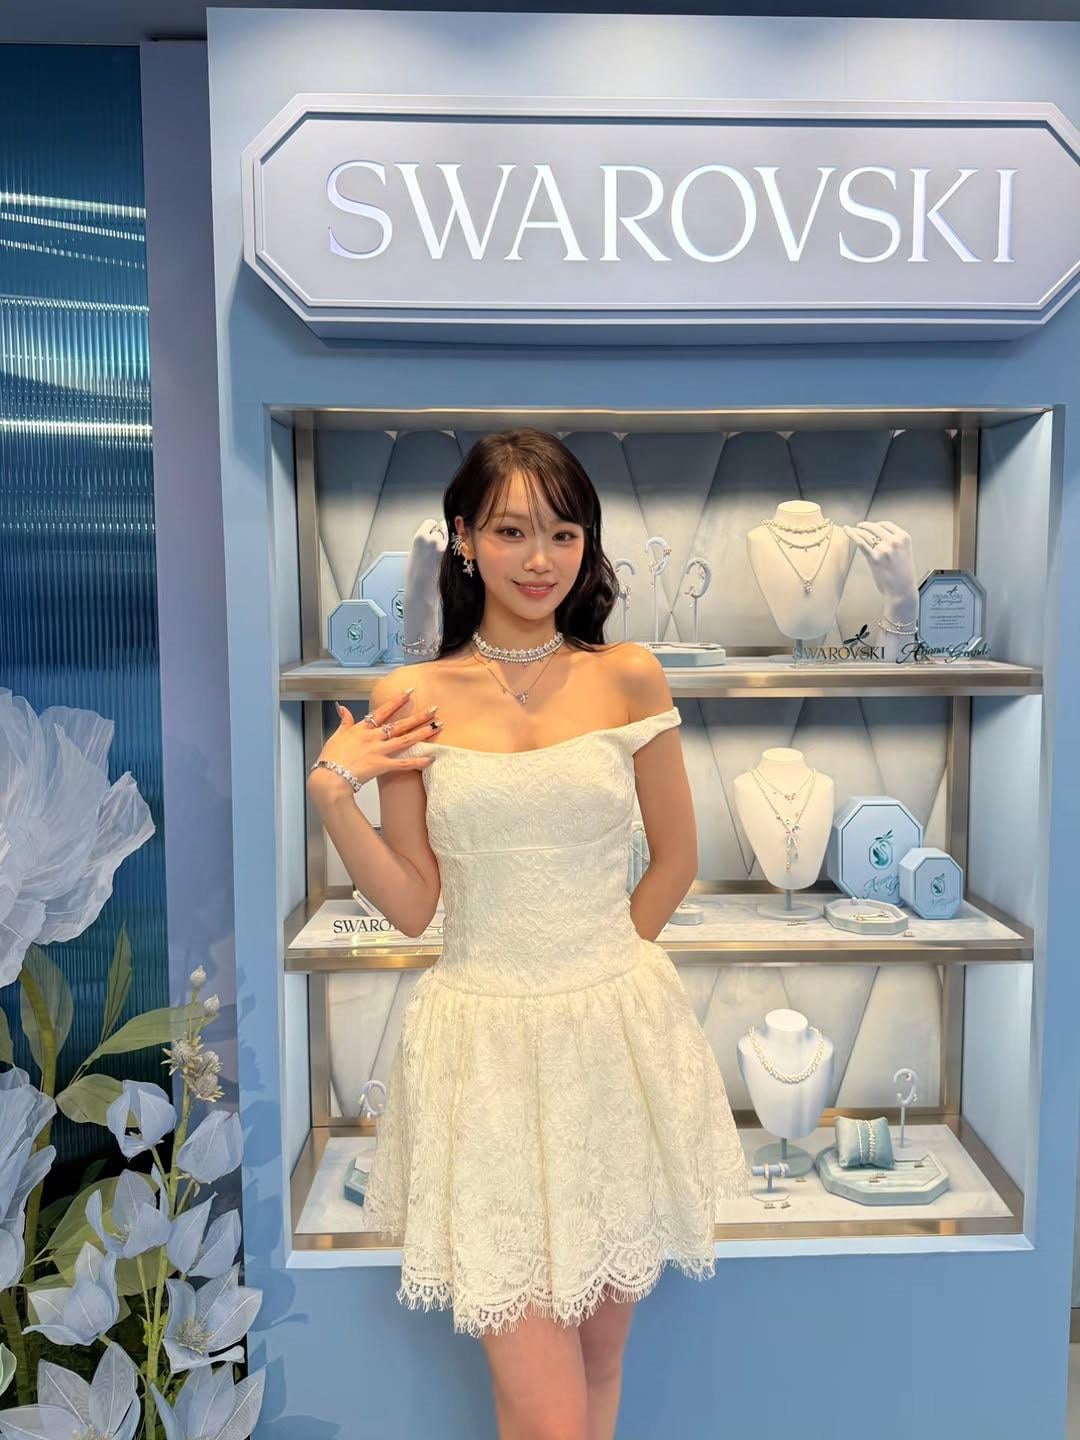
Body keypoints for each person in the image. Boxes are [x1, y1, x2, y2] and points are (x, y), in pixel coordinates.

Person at [307, 428, 751, 1440]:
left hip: (613, 1045)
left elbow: (676, 859)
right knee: (543, 1403)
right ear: (464, 539)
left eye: (563, 532)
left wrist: (603, 970)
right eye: (512, 531)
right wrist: (334, 798)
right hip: (485, 1053)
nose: (541, 558)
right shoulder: (411, 697)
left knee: (600, 1363)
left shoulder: (629, 674)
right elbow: (414, 904)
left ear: (587, 544)